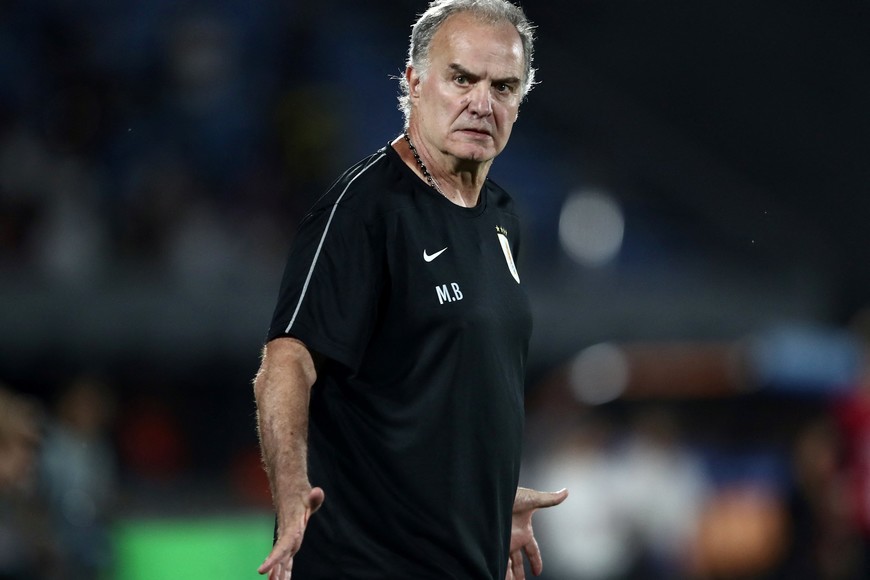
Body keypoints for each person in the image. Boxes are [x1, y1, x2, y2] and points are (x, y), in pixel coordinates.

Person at [253, 1, 567, 578]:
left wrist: (489, 496)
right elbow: (287, 358)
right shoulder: (364, 209)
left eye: (503, 86)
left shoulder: (502, 215)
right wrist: (291, 486)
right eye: (462, 79)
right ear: (414, 83)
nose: (481, 103)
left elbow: (446, 380)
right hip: (368, 563)